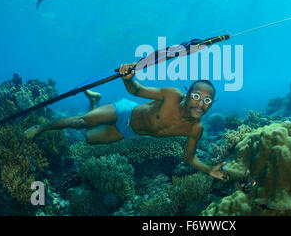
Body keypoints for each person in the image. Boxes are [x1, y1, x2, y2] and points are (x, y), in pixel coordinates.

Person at [24, 62, 229, 181]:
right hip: (125, 112)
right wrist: (127, 77)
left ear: (212, 104)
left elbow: (190, 158)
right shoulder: (172, 96)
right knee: (81, 122)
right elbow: (137, 90)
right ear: (188, 94)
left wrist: (209, 169)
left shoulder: (196, 128)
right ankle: (39, 127)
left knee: (88, 138)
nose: (200, 104)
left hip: (129, 132)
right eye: (196, 96)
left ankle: (94, 100)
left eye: (207, 100)